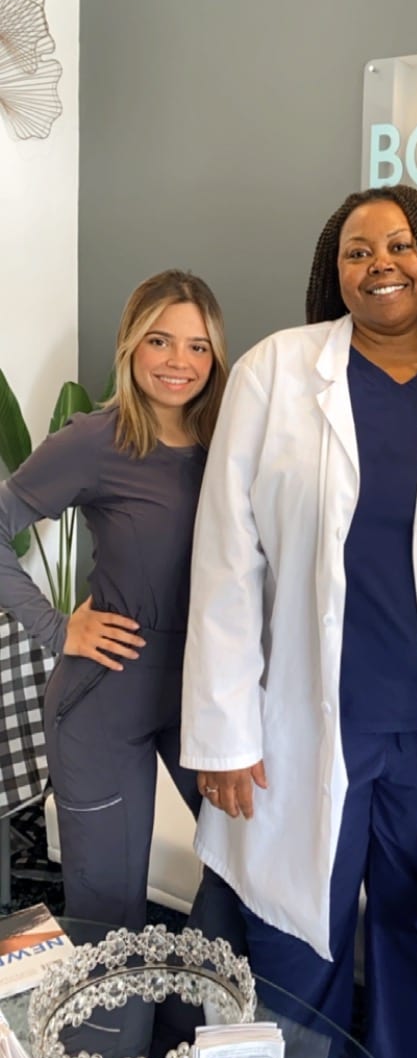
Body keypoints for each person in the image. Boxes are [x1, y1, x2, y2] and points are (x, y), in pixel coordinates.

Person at [179, 185, 417, 1058]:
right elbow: (229, 558)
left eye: (398, 244)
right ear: (332, 269)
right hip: (304, 723)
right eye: (355, 250)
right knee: (290, 939)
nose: (378, 262)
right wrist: (224, 730)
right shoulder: (275, 371)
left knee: (411, 930)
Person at [0, 269, 229, 930]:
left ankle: (188, 1019)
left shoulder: (233, 440)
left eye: (197, 345)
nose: (179, 361)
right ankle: (115, 1035)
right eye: (161, 341)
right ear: (132, 345)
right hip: (107, 693)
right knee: (110, 909)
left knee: (246, 871)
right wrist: (54, 626)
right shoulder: (98, 439)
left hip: (203, 692)